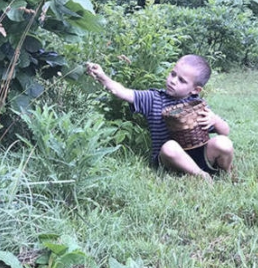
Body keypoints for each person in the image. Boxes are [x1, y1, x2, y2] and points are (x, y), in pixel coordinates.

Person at [86, 56, 234, 183]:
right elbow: (124, 93)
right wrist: (102, 76)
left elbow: (225, 131)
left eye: (182, 80)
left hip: (199, 156)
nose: (173, 81)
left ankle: (225, 174)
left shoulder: (197, 105)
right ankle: (201, 176)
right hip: (169, 159)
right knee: (170, 146)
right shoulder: (154, 98)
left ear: (195, 90)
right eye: (173, 74)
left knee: (224, 143)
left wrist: (214, 120)